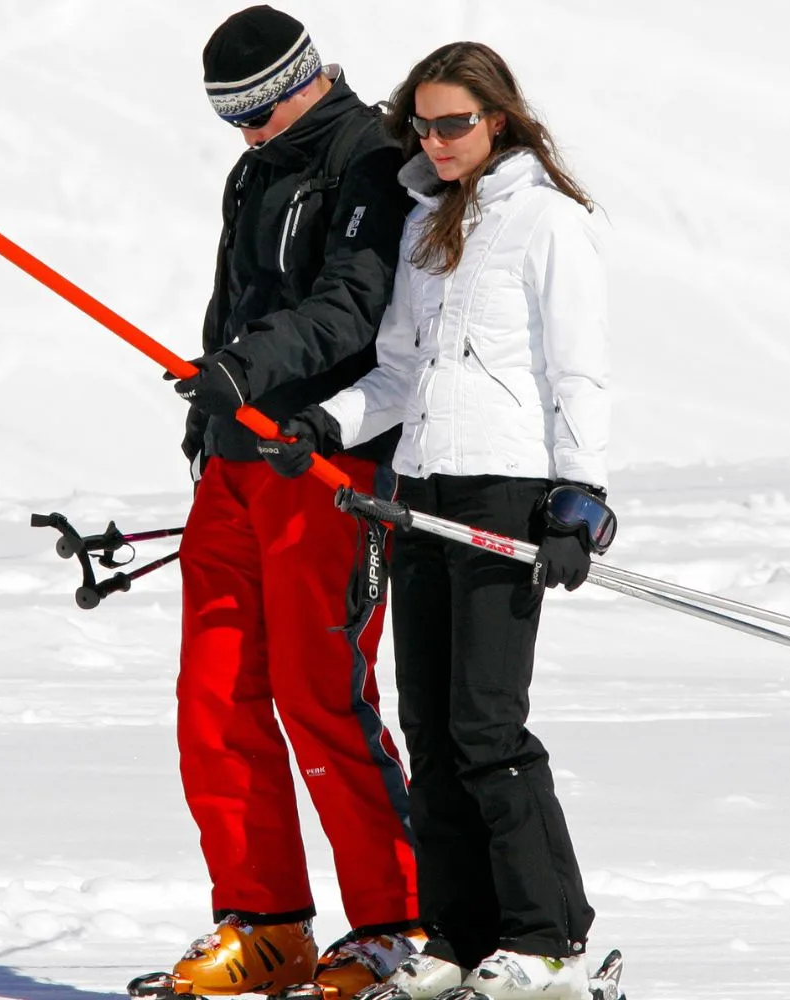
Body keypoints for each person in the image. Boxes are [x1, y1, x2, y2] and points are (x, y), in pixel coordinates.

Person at [258, 41, 613, 1000]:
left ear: (498, 116)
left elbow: (577, 371)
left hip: (506, 490)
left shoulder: (548, 225)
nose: (437, 140)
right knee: (428, 724)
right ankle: (458, 935)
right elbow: (400, 376)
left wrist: (581, 499)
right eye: (422, 124)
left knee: (488, 727)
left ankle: (546, 937)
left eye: (455, 122)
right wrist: (320, 427)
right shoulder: (425, 227)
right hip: (418, 491)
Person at [156, 6, 422, 999]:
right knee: (215, 694)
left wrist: (250, 368)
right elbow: (237, 300)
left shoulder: (373, 160)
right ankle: (266, 920)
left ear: (298, 84)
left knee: (324, 694)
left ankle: (399, 921)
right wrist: (210, 413)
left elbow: (353, 306)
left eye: (256, 116)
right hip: (238, 463)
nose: (247, 136)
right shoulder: (255, 170)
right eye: (234, 122)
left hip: (328, 464)